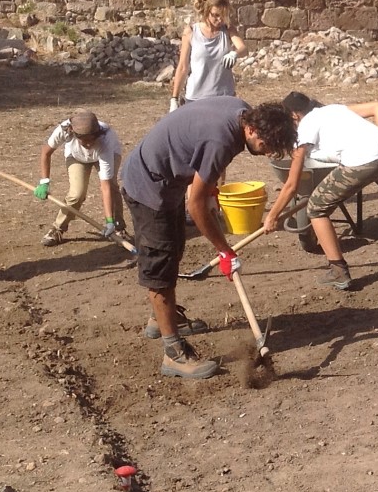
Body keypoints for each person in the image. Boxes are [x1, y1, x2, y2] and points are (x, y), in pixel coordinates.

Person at [121, 97, 296, 379]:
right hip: (148, 187)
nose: (266, 154)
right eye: (266, 146)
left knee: (174, 248)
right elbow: (196, 205)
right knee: (161, 265)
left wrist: (211, 188)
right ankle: (173, 354)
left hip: (166, 180)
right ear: (252, 130)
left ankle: (160, 319)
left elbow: (196, 151)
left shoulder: (239, 110)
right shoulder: (221, 140)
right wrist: (224, 251)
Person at [265, 92, 378, 291]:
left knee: (316, 207)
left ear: (294, 116)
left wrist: (273, 216)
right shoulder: (333, 109)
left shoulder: (305, 126)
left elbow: (291, 184)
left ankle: (338, 271)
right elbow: (375, 108)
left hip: (362, 162)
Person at [35, 109, 126, 247]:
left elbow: (105, 186)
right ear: (73, 132)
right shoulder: (64, 130)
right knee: (76, 194)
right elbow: (46, 152)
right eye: (84, 141)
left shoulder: (106, 139)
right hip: (76, 157)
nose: (89, 145)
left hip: (107, 155)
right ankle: (58, 229)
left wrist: (108, 221)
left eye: (92, 140)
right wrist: (44, 181)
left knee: (112, 187)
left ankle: (117, 227)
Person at [168, 0, 247, 110]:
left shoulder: (228, 30)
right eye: (215, 15)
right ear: (206, 11)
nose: (219, 19)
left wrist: (234, 53)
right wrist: (174, 99)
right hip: (196, 98)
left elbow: (244, 49)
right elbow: (183, 67)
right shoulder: (191, 31)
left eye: (223, 15)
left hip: (224, 97)